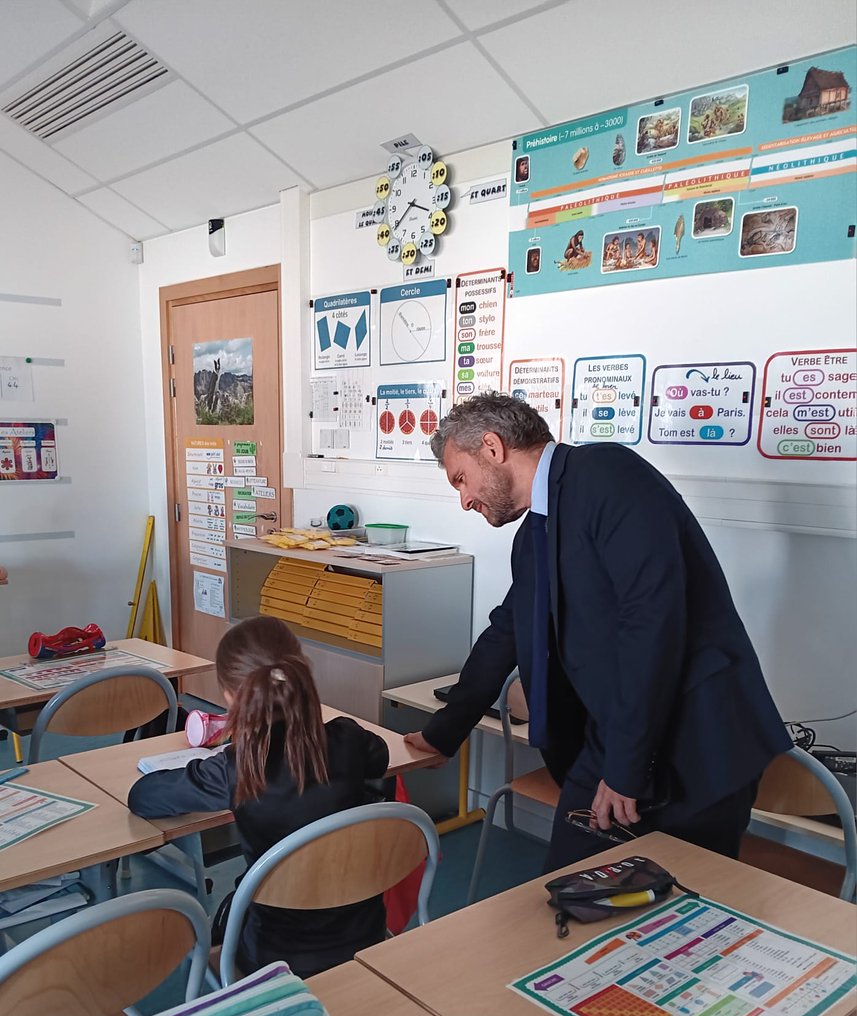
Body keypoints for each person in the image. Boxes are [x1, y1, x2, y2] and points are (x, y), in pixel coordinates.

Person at [404, 393, 790, 871]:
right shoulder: (535, 534)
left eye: (460, 479)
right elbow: (507, 630)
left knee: (681, 912)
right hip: (619, 738)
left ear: (491, 447)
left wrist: (626, 767)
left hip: (695, 742)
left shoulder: (607, 474)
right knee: (572, 893)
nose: (464, 500)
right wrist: (445, 732)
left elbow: (651, 623)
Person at [129, 615, 390, 977]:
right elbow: (380, 758)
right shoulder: (347, 739)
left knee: (214, 930)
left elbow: (143, 797)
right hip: (368, 934)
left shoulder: (237, 769)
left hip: (274, 955)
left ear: (231, 696)